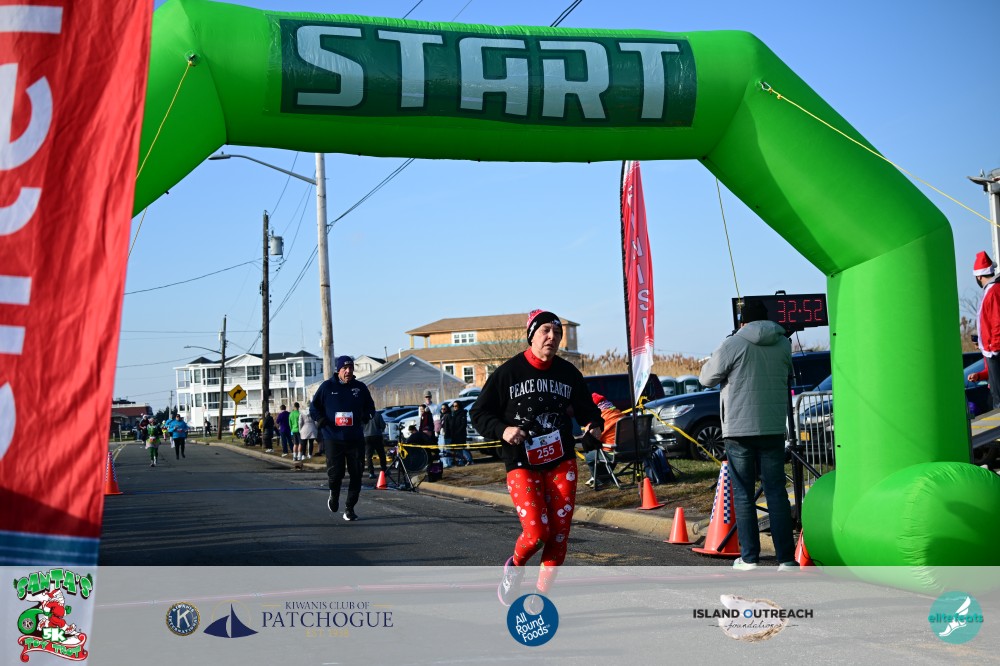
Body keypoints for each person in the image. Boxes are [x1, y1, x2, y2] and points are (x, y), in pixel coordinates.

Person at [470, 309, 604, 605]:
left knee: (559, 535)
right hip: (522, 462)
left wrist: (594, 425)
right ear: (531, 335)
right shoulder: (508, 373)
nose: (552, 337)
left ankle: (540, 599)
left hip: (561, 461)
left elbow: (588, 411)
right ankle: (515, 567)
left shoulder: (569, 373)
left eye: (557, 333)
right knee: (536, 533)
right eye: (545, 331)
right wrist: (503, 430)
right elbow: (478, 413)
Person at [699, 298, 796, 571]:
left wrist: (723, 345)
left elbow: (706, 378)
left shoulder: (733, 344)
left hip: (739, 429)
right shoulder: (783, 343)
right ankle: (786, 558)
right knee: (776, 491)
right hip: (773, 426)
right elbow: (787, 375)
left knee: (743, 493)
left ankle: (750, 557)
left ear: (742, 321)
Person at [311, 355, 375, 522]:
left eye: (350, 368)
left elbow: (370, 407)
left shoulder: (360, 388)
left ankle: (349, 508)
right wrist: (320, 419)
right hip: (333, 437)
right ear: (338, 370)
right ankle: (334, 494)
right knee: (336, 474)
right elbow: (314, 407)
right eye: (344, 368)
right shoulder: (327, 387)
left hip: (355, 438)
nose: (348, 371)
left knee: (357, 474)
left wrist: (366, 416)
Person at [974, 250, 1000, 410]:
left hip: (995, 351)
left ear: (978, 276)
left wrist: (994, 347)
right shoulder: (991, 290)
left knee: (998, 396)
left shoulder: (994, 291)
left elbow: (997, 321)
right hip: (991, 350)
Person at [583, 393, 626, 488]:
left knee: (589, 456)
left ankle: (600, 480)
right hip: (630, 450)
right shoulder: (618, 413)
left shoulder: (600, 418)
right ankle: (607, 477)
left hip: (614, 452)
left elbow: (591, 441)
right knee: (604, 450)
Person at [364, 409, 388, 480]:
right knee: (381, 454)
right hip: (377, 436)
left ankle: (371, 472)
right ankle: (384, 470)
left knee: (369, 456)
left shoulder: (363, 415)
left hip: (366, 437)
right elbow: (383, 425)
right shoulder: (377, 415)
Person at [449, 400, 473, 466]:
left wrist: (458, 432)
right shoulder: (454, 414)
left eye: (456, 406)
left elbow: (463, 424)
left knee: (462, 448)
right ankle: (460, 461)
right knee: (457, 449)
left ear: (459, 406)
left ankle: (469, 460)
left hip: (461, 434)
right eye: (453, 406)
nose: (454, 407)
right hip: (454, 434)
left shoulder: (462, 413)